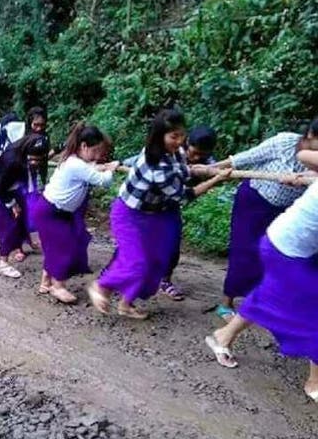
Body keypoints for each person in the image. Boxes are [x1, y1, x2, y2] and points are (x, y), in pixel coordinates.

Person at [91, 109, 231, 320]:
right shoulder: (156, 165)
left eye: (181, 135)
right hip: (129, 214)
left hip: (155, 214)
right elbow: (184, 196)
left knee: (157, 260)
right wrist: (215, 180)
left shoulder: (174, 153)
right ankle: (101, 286)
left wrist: (204, 169)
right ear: (160, 136)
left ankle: (126, 303)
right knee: (135, 261)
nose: (179, 140)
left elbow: (183, 170)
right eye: (173, 136)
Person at [204, 148, 318, 402]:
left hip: (292, 245)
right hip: (286, 247)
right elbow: (304, 155)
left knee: (271, 292)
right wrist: (307, 173)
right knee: (312, 311)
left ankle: (223, 336)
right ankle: (314, 382)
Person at [210, 120, 318, 321]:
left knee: (271, 257)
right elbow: (244, 159)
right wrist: (212, 169)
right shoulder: (284, 142)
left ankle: (259, 305)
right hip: (253, 203)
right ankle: (226, 302)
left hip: (286, 212)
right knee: (243, 252)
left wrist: (299, 177)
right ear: (311, 134)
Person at [121, 125, 219, 301]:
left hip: (171, 205)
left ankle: (165, 280)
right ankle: (115, 275)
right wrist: (120, 164)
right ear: (187, 143)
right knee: (135, 243)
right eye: (193, 152)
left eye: (201, 156)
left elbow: (213, 172)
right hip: (151, 206)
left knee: (172, 246)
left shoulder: (210, 162)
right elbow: (140, 159)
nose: (196, 158)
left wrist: (213, 175)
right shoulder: (170, 152)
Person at [31, 122, 118, 303]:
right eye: (95, 151)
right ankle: (58, 286)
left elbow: (92, 169)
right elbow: (103, 181)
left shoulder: (78, 162)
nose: (97, 156)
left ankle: (46, 282)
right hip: (50, 211)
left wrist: (99, 166)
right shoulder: (75, 164)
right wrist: (111, 169)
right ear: (84, 146)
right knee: (64, 248)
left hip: (60, 213)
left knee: (65, 243)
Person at [0, 134, 50, 279]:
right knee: (9, 226)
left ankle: (13, 245)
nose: (35, 162)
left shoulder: (25, 158)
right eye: (32, 158)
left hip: (14, 190)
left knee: (21, 221)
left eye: (38, 160)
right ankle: (3, 262)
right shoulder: (11, 160)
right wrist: (12, 204)